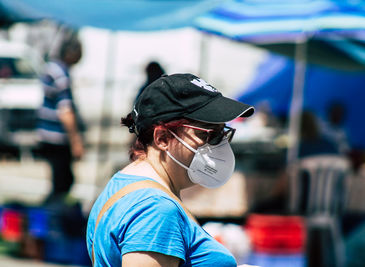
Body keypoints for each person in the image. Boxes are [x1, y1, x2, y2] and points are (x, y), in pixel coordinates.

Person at [86, 73, 255, 266]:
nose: (219, 145)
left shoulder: (122, 184)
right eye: (208, 134)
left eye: (223, 133)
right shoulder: (155, 208)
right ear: (163, 138)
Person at [36, 33, 85, 203]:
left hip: (45, 133)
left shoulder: (50, 68)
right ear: (71, 52)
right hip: (57, 137)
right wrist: (76, 141)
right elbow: (65, 111)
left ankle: (52, 211)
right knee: (63, 181)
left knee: (60, 180)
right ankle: (52, 216)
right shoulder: (61, 74)